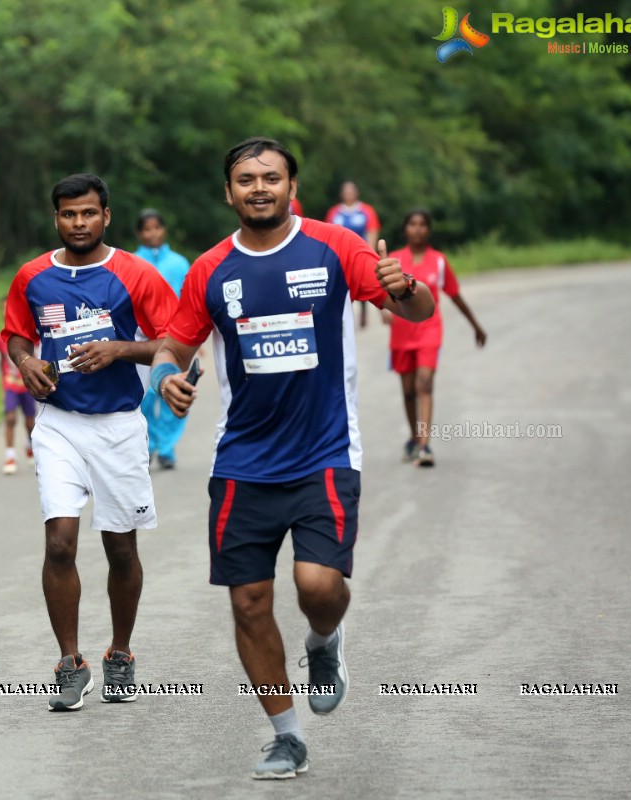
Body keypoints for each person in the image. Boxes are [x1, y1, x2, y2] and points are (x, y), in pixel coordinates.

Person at [151, 137, 433, 779]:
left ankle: (324, 640)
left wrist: (405, 285)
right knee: (248, 601)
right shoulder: (209, 269)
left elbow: (416, 309)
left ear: (290, 187)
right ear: (229, 192)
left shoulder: (335, 247)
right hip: (242, 463)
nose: (258, 188)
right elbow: (173, 342)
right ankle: (285, 735)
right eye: (245, 179)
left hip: (325, 452)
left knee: (318, 586)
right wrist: (165, 373)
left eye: (270, 178)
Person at [2, 174, 179, 711]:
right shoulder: (33, 276)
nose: (79, 223)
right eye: (68, 214)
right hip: (58, 422)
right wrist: (26, 361)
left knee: (121, 547)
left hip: (119, 425)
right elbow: (14, 334)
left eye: (88, 213)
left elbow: (175, 343)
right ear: (56, 218)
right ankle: (69, 661)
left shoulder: (134, 274)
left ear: (107, 216)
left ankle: (120, 652)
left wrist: (119, 350)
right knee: (60, 542)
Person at [385, 209, 487, 466]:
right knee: (408, 391)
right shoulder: (395, 259)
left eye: (422, 225)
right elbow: (381, 294)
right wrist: (383, 314)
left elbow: (454, 294)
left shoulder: (438, 261)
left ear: (428, 230)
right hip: (401, 332)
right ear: (405, 229)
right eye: (412, 224)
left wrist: (475, 325)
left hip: (430, 331)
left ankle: (425, 445)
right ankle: (414, 436)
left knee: (425, 383)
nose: (417, 229)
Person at [134, 209, 191, 469]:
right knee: (144, 397)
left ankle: (167, 448)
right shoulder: (132, 263)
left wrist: (192, 341)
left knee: (175, 391)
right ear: (139, 233)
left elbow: (190, 302)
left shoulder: (179, 263)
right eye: (146, 229)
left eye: (156, 228)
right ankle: (148, 444)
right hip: (142, 342)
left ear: (164, 229)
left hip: (177, 339)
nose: (152, 233)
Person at [326, 181, 380, 327]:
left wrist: (370, 254)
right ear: (342, 194)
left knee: (362, 284)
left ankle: (363, 311)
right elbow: (327, 236)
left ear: (356, 193)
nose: (349, 194)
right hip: (339, 258)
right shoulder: (334, 213)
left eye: (351, 191)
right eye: (346, 191)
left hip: (359, 256)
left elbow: (372, 232)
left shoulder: (366, 211)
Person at [0, 299, 36, 474]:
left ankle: (29, 444)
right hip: (10, 384)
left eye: (8, 308)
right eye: (3, 309)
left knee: (30, 421)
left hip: (27, 385)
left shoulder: (29, 335)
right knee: (10, 418)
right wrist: (2, 381)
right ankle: (10, 455)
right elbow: (1, 361)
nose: (6, 312)